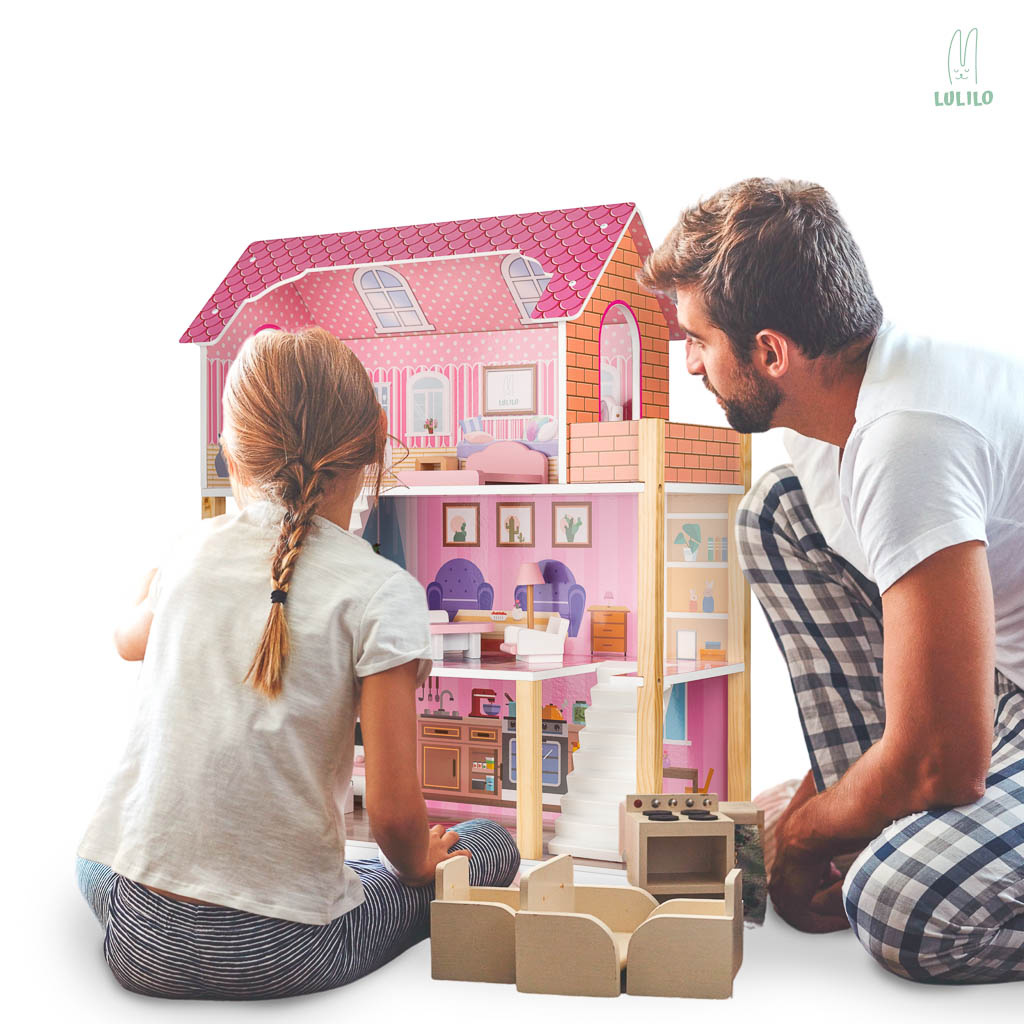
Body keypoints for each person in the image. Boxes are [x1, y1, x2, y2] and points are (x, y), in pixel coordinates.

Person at [640, 178, 1024, 983]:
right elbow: (902, 678)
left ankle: (883, 839)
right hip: (996, 681)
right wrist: (824, 800)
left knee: (900, 903)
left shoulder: (907, 439)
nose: (692, 363)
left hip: (990, 712)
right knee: (774, 513)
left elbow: (944, 760)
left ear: (770, 352)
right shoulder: (832, 416)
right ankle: (876, 818)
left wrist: (801, 835)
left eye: (699, 340)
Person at [76, 327, 520, 999]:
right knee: (487, 844)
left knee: (95, 853)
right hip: (285, 950)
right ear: (375, 445)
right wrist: (420, 864)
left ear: (230, 452)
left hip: (138, 936)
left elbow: (126, 640)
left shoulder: (189, 554)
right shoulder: (381, 591)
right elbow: (397, 820)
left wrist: (154, 581)